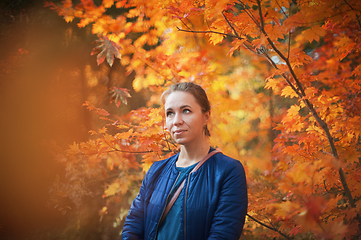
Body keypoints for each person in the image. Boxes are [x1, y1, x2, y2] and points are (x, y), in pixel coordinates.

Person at [121, 82, 248, 240]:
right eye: (170, 113)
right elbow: (132, 226)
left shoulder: (228, 171)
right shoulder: (156, 170)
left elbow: (223, 235)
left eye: (186, 111)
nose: (176, 121)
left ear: (206, 116)